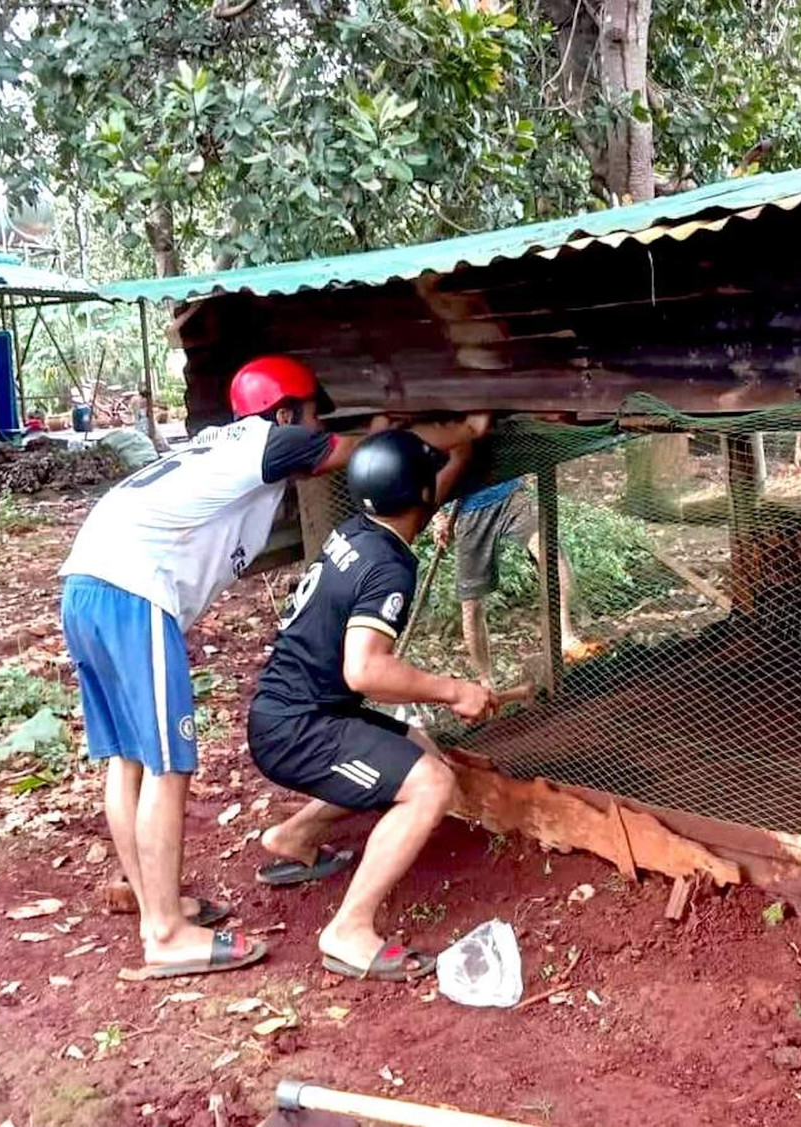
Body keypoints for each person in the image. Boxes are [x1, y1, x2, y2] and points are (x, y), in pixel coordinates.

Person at [59, 354, 483, 979]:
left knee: (128, 759)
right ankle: (166, 932)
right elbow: (379, 451)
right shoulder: (272, 441)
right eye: (313, 413)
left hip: (87, 580)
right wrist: (467, 431)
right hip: (131, 587)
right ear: (286, 414)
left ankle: (158, 905)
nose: (317, 426)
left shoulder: (221, 445)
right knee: (168, 766)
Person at [248, 430, 496, 982]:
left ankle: (296, 837)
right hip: (299, 730)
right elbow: (366, 671)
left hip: (290, 709)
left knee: (417, 749)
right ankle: (350, 930)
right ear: (421, 497)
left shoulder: (358, 529)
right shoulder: (390, 568)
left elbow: (425, 486)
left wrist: (472, 431)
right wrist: (455, 690)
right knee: (431, 784)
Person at [431, 477, 596, 686]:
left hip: (508, 494)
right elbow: (418, 472)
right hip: (466, 512)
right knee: (471, 605)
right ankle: (486, 682)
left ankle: (566, 637)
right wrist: (439, 517)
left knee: (549, 552)